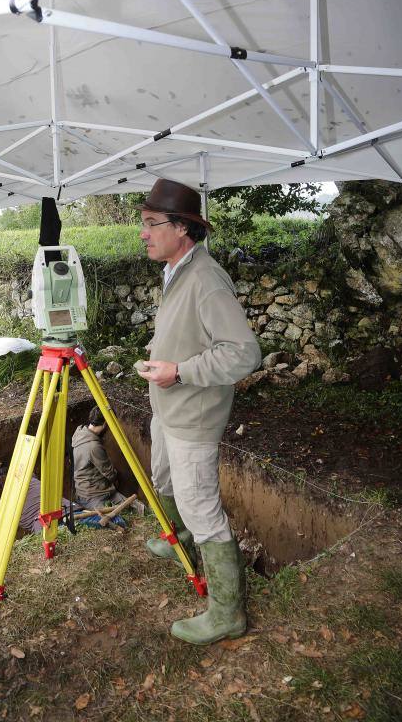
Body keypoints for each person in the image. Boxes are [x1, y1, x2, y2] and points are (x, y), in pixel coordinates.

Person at [136, 178, 261, 646]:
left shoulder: (205, 279)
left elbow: (244, 353)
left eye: (152, 225)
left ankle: (227, 613)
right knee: (164, 478)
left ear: (182, 228)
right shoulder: (176, 270)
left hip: (192, 411)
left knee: (200, 506)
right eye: (143, 225)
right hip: (169, 404)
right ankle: (180, 542)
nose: (144, 234)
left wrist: (180, 371)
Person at [72, 407, 126, 510]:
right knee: (119, 518)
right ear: (105, 423)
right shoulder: (93, 446)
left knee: (137, 508)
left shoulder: (79, 434)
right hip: (94, 496)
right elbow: (110, 474)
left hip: (84, 491)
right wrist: (118, 477)